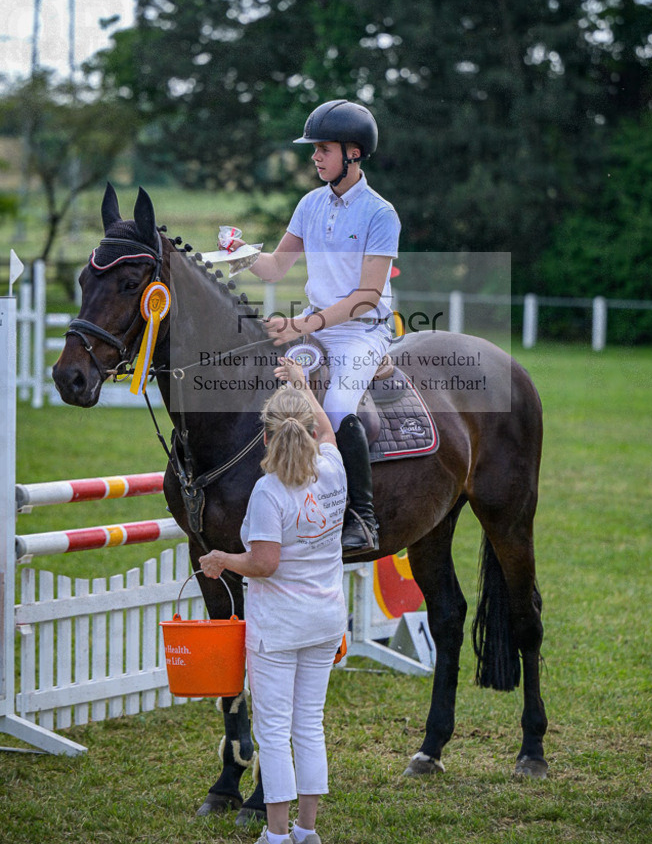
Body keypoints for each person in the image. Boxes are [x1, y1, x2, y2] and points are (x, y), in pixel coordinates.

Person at [225, 99, 401, 553]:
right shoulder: (309, 204)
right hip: (318, 328)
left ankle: (362, 518)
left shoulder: (381, 215)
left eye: (323, 148)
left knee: (339, 406)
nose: (314, 157)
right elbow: (275, 268)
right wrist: (239, 252)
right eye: (314, 149)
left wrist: (303, 322)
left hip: (364, 330)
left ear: (353, 153)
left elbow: (366, 297)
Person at [199, 356, 347, 844]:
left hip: (280, 628)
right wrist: (304, 385)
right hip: (326, 620)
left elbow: (264, 563)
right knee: (310, 726)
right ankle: (307, 831)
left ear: (264, 438)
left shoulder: (267, 492)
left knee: (274, 732)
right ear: (307, 431)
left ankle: (278, 835)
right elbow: (326, 427)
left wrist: (222, 558)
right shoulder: (333, 469)